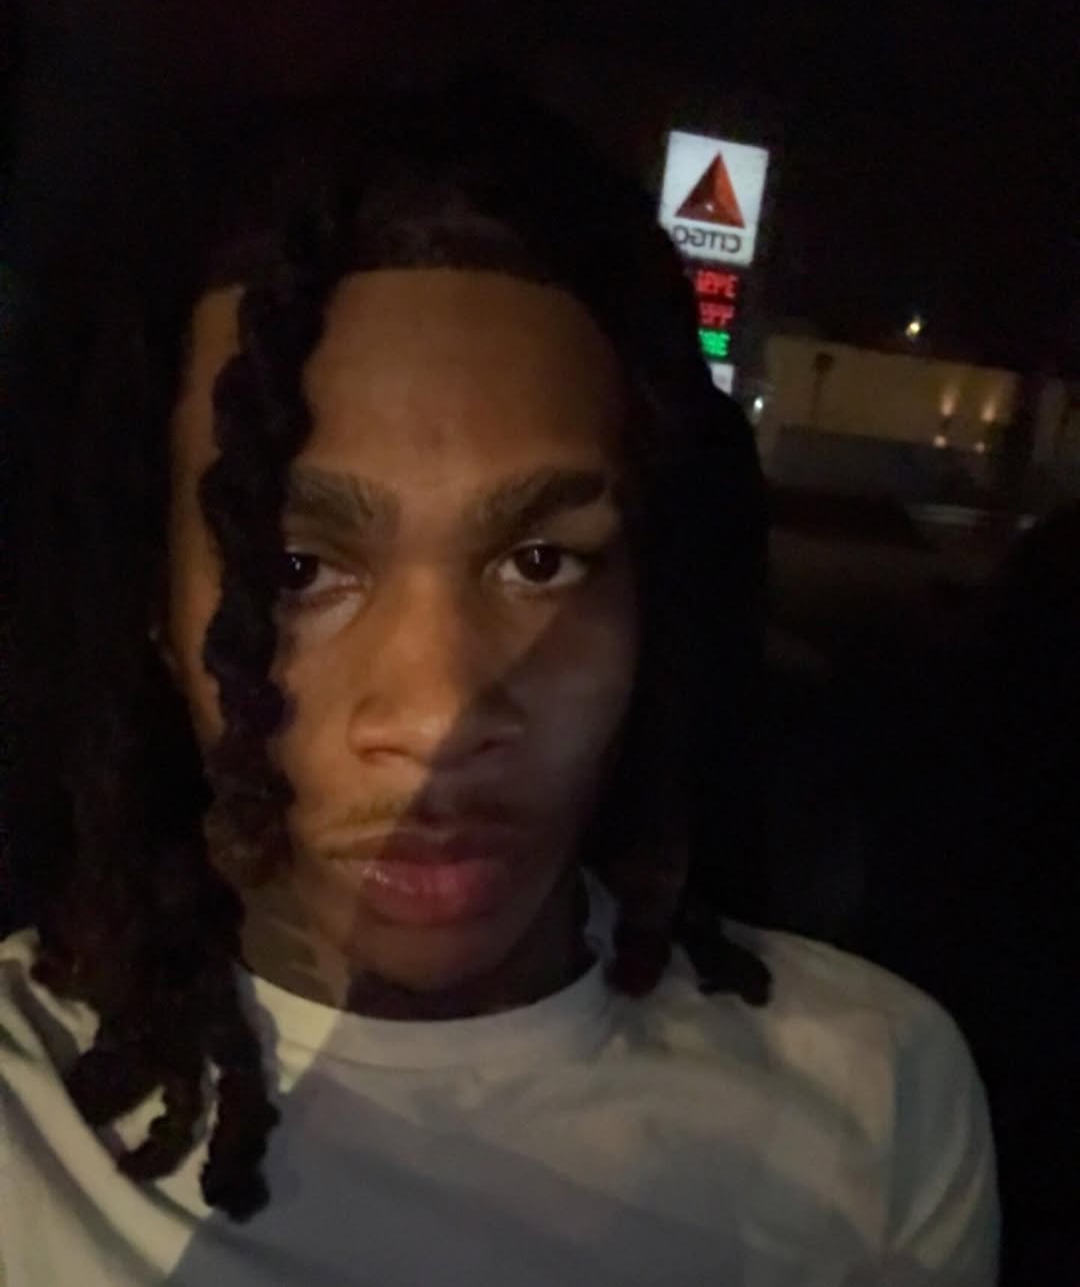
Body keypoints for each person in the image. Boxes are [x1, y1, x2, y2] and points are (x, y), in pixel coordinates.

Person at [1, 79, 998, 1285]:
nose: (438, 715)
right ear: (157, 614)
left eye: (540, 562)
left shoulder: (876, 1097)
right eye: (297, 568)